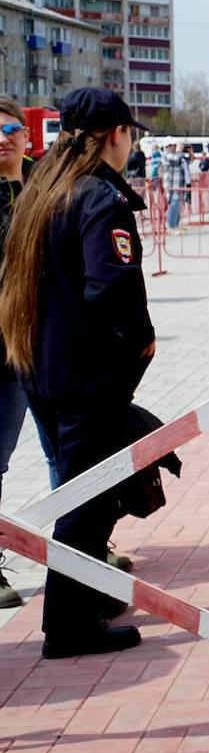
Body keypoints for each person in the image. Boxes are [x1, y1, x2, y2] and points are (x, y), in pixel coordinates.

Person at [0, 88, 160, 658]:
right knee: (85, 503)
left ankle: (86, 598)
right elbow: (110, 287)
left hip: (41, 369)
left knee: (78, 489)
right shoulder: (98, 199)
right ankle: (68, 626)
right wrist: (140, 342)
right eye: (130, 133)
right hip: (84, 376)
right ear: (117, 134)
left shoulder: (43, 191)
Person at [0, 97, 32, 608]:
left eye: (10, 128)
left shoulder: (41, 187)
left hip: (28, 349)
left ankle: (85, 551)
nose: (2, 138)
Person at [160, 143, 190, 232]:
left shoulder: (176, 154)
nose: (174, 146)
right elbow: (176, 158)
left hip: (178, 184)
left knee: (177, 204)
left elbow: (187, 161)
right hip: (171, 184)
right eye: (172, 145)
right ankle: (171, 227)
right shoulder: (167, 155)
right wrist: (180, 150)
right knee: (174, 204)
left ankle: (176, 225)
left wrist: (190, 152)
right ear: (167, 146)